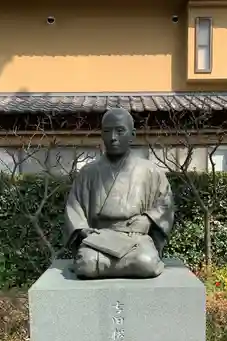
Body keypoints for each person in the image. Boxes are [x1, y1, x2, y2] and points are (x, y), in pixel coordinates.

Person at [63, 108, 174, 279]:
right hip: (99, 238)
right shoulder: (88, 172)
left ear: (132, 134)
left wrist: (148, 219)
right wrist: (84, 231)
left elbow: (165, 202)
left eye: (120, 131)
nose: (113, 137)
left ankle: (115, 264)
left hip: (135, 238)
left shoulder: (150, 171)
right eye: (107, 131)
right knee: (86, 265)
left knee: (146, 263)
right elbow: (74, 205)